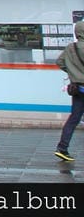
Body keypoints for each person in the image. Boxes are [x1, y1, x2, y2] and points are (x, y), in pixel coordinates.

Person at [55, 20, 84, 161]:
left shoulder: (70, 47)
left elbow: (59, 62)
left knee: (74, 119)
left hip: (77, 89)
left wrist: (72, 72)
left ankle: (62, 148)